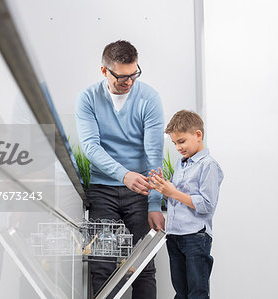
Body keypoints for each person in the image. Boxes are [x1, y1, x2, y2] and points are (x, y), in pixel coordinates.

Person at [75, 40, 165, 298]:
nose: (129, 82)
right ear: (104, 71)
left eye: (134, 74)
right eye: (122, 77)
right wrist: (123, 175)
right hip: (103, 190)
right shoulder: (88, 99)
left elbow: (154, 154)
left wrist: (155, 204)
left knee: (143, 265)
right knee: (101, 265)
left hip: (142, 191)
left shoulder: (149, 98)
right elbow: (91, 148)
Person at [149, 110, 224, 299]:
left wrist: (173, 192)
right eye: (175, 143)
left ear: (198, 135)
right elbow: (177, 199)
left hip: (195, 237)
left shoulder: (208, 165)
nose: (178, 147)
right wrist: (163, 189)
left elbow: (206, 204)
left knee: (197, 293)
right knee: (181, 293)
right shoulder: (180, 165)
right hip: (175, 235)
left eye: (181, 141)